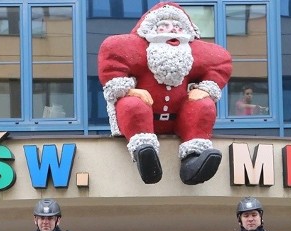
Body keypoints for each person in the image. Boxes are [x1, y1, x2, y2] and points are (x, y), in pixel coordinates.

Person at [98, 2, 233, 185]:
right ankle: (145, 155)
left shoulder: (194, 54)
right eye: (165, 27)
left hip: (179, 119)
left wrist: (204, 88)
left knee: (204, 104)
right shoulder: (136, 50)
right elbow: (112, 65)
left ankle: (193, 159)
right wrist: (129, 90)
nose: (173, 32)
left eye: (178, 27)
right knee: (131, 104)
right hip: (146, 117)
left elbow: (221, 62)